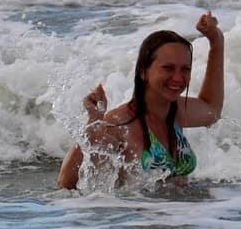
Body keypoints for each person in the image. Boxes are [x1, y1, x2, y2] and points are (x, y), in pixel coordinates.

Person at [57, 12, 224, 190]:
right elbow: (65, 184)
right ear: (143, 71)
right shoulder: (119, 124)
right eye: (168, 68)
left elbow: (211, 111)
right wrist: (92, 125)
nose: (178, 77)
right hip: (138, 214)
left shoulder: (176, 111)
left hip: (182, 215)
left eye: (185, 69)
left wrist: (217, 43)